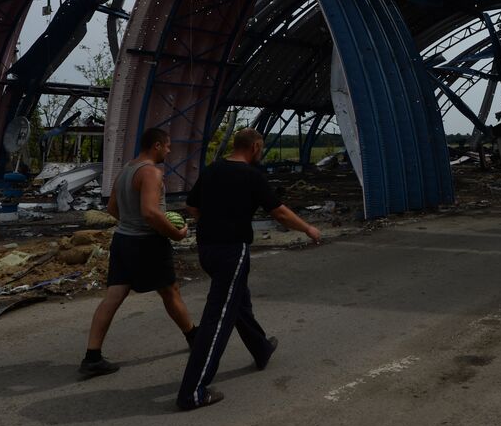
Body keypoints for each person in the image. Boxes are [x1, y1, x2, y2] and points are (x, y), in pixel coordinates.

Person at [176, 128, 321, 410]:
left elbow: (192, 207)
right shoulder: (252, 177)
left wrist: (215, 219)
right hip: (232, 250)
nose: (261, 152)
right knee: (217, 320)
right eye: (261, 147)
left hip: (207, 250)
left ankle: (261, 348)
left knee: (239, 301)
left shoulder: (212, 170)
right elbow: (278, 212)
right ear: (255, 146)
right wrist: (307, 228)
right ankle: (192, 392)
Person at [79, 127, 195, 377]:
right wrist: (176, 234)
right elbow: (150, 212)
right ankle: (195, 338)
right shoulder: (151, 172)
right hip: (147, 243)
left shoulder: (125, 171)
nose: (169, 150)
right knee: (170, 291)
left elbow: (111, 208)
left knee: (115, 295)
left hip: (123, 240)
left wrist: (129, 223)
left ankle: (92, 356)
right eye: (167, 146)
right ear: (156, 145)